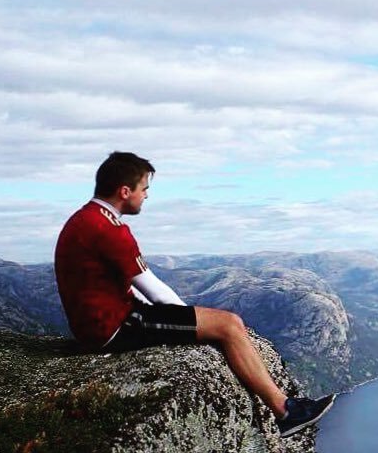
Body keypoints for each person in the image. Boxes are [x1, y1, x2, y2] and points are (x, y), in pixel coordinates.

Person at [54, 151, 335, 438]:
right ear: (125, 191)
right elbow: (154, 290)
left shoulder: (84, 219)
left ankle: (286, 406)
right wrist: (191, 322)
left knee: (227, 322)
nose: (146, 196)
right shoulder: (109, 230)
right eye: (144, 189)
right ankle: (285, 412)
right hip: (114, 327)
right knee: (227, 325)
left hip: (100, 323)